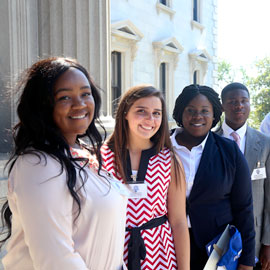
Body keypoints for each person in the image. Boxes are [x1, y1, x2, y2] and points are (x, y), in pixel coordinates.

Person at [0, 57, 128, 270]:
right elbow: (57, 260)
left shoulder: (82, 153)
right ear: (42, 106)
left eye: (86, 94)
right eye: (64, 97)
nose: (80, 104)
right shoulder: (39, 165)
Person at [101, 85, 190, 270]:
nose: (150, 119)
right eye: (141, 111)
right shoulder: (100, 158)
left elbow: (179, 221)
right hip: (111, 251)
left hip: (159, 254)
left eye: (156, 113)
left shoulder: (169, 160)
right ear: (125, 112)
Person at [171, 84, 255, 270]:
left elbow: (244, 209)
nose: (197, 116)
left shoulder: (229, 151)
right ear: (180, 112)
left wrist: (247, 262)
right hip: (166, 245)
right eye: (191, 110)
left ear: (215, 114)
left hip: (216, 250)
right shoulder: (160, 148)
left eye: (205, 111)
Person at [217, 82, 270, 270]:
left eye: (244, 101)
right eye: (232, 101)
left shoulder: (265, 143)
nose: (239, 105)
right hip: (218, 236)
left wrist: (268, 242)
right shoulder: (210, 141)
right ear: (222, 105)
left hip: (254, 238)